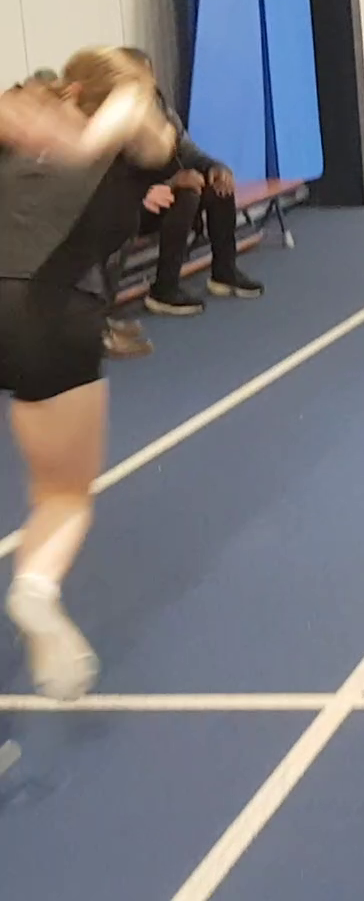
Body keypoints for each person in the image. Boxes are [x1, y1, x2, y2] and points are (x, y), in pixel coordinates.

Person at [0, 47, 179, 701]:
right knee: (63, 496)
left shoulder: (21, 135)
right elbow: (143, 117)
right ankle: (35, 592)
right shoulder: (127, 147)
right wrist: (92, 138)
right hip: (56, 309)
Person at [117, 47, 264, 316]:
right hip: (133, 206)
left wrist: (214, 166)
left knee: (218, 186)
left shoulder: (160, 108)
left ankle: (224, 272)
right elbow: (114, 184)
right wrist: (173, 182)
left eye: (149, 76)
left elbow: (188, 150)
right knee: (187, 195)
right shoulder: (113, 122)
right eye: (139, 77)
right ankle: (164, 290)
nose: (149, 83)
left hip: (165, 195)